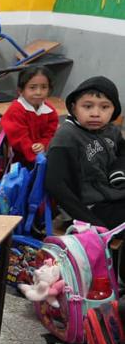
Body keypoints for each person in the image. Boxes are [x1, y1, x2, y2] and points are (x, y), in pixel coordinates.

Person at [45, 76, 125, 229]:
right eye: (87, 106)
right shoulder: (66, 137)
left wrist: (118, 171)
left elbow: (122, 152)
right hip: (87, 209)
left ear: (114, 110)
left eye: (104, 107)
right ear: (74, 108)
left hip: (111, 195)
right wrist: (92, 223)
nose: (95, 113)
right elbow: (56, 185)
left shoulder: (110, 130)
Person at [1, 66, 59, 166]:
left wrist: (43, 144)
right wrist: (38, 160)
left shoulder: (50, 111)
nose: (38, 92)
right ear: (21, 90)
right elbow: (20, 140)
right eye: (32, 87)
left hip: (41, 155)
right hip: (19, 159)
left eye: (44, 87)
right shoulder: (16, 110)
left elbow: (50, 133)